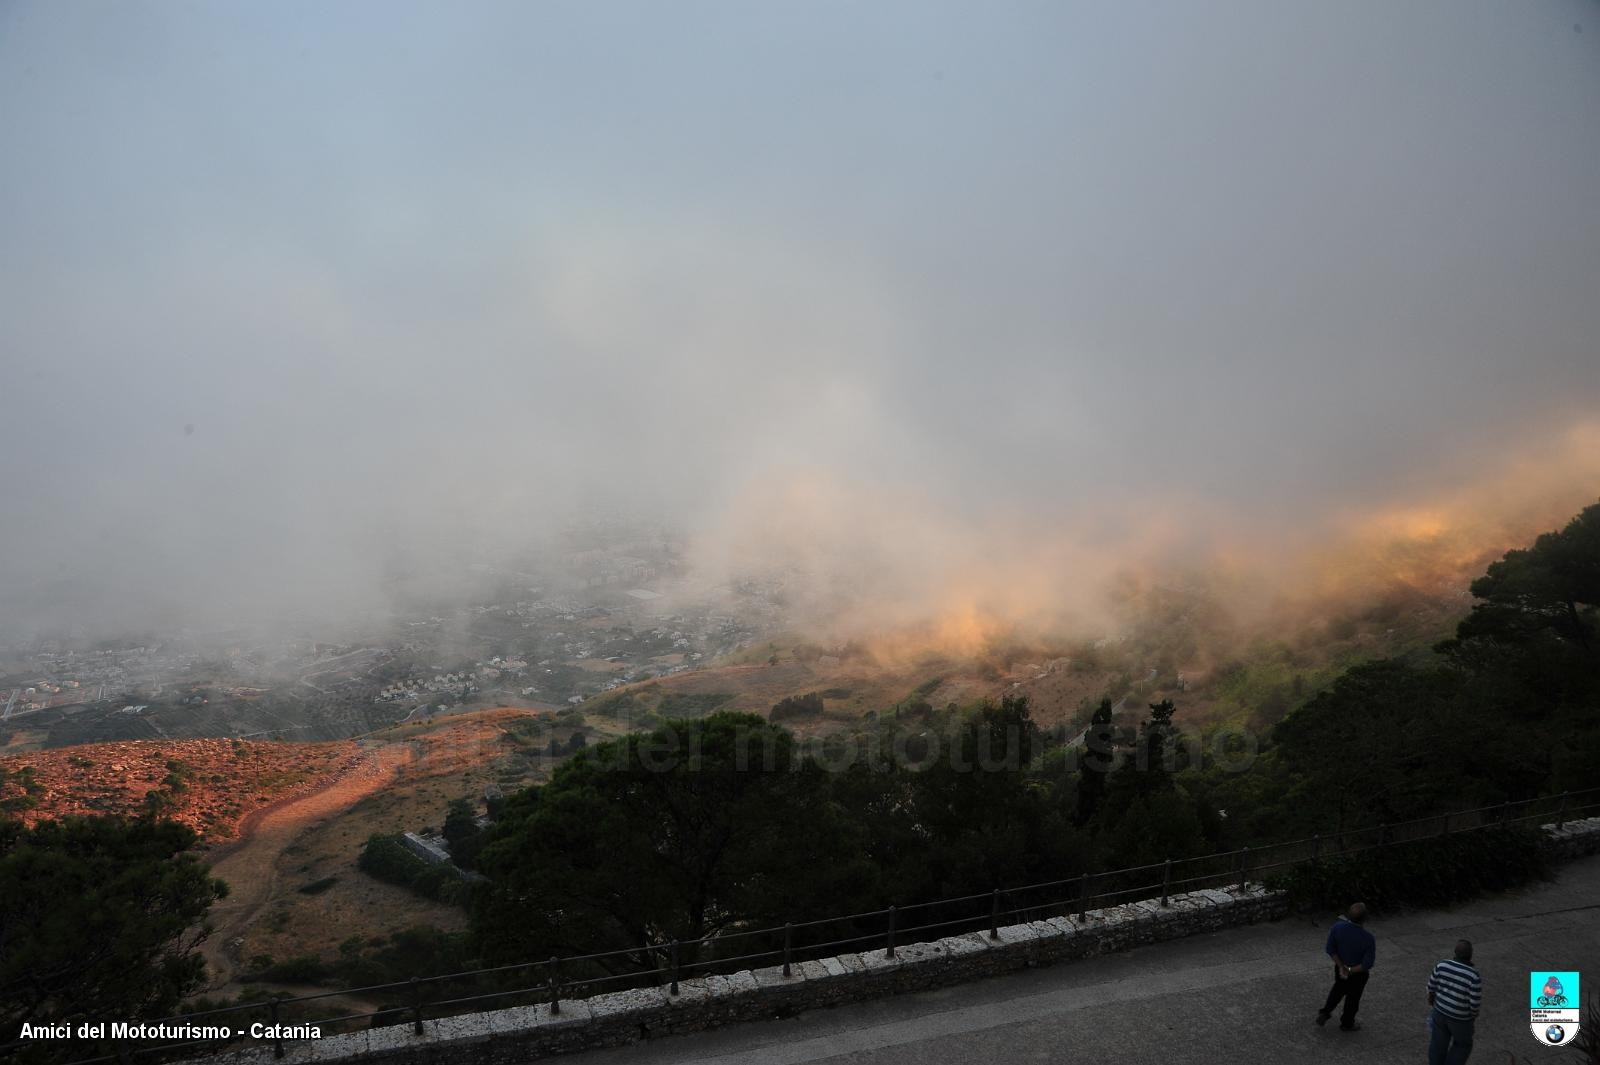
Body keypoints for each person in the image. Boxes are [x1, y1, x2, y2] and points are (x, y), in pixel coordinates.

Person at [1316, 902, 1376, 1031]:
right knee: (1353, 999)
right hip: (1358, 974)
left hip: (1340, 968)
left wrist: (1342, 967)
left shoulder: (1337, 927)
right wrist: (1350, 970)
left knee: (1337, 990)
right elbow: (1367, 964)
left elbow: (1330, 949)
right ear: (1365, 918)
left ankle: (1325, 1012)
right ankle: (1347, 1023)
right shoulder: (1368, 938)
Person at [1427, 939, 1481, 1064]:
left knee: (1438, 1043)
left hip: (1439, 1012)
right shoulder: (1473, 975)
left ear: (1455, 952)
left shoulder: (1441, 965)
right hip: (1460, 1019)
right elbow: (1474, 1003)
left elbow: (1431, 987)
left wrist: (1432, 1002)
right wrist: (1473, 1015)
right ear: (1471, 955)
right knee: (1463, 1045)